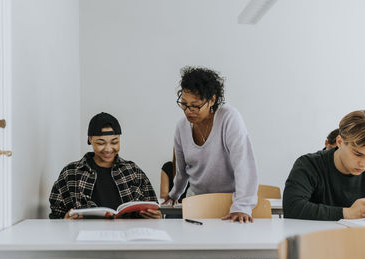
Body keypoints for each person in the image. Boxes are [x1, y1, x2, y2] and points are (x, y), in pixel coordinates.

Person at [163, 66, 259, 223]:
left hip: (229, 202)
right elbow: (182, 170)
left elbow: (244, 164)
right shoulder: (182, 127)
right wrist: (174, 194)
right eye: (184, 104)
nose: (188, 111)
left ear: (212, 100)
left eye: (195, 106)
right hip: (197, 202)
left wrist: (242, 206)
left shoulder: (229, 118)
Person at [49, 112, 161, 220]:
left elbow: (154, 207)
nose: (108, 149)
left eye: (114, 142)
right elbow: (55, 217)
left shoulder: (133, 171)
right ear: (90, 139)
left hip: (127, 236)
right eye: (100, 143)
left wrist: (156, 216)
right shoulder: (70, 173)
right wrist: (64, 221)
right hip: (85, 236)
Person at [283, 110, 365, 220]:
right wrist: (348, 213)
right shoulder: (309, 164)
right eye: (358, 154)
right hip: (315, 235)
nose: (364, 164)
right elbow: (292, 207)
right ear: (340, 142)